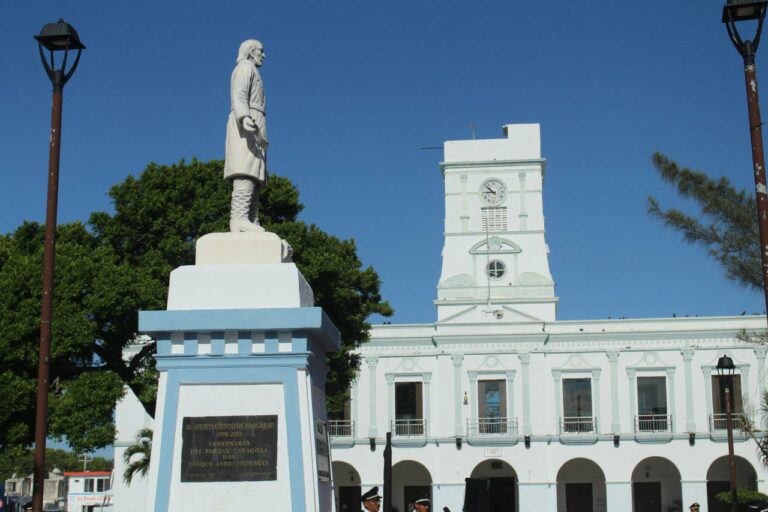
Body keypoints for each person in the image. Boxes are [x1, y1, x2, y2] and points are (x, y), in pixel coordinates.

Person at [224, 39, 268, 232]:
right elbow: (239, 94)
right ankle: (239, 218)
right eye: (261, 51)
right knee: (245, 168)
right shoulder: (244, 68)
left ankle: (251, 217)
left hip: (256, 123)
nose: (264, 55)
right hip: (246, 123)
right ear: (251, 52)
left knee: (257, 175)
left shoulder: (254, 71)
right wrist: (244, 116)